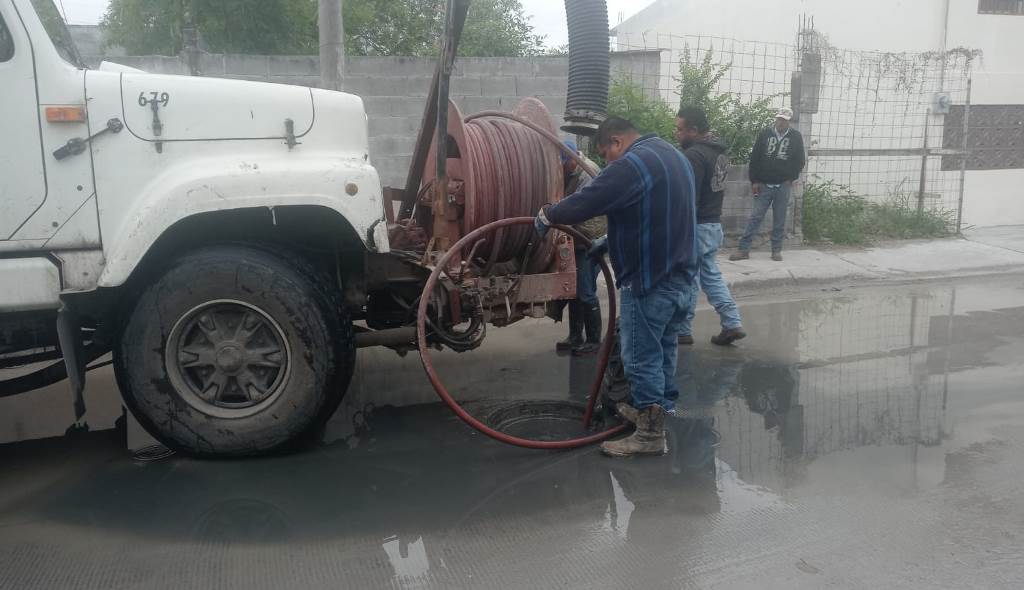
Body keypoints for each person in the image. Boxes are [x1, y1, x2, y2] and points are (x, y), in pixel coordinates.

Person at [535, 117, 699, 458]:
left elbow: (590, 199)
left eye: (605, 152)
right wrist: (610, 240)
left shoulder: (633, 163)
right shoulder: (673, 156)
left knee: (640, 358)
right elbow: (658, 213)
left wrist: (551, 214)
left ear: (617, 142)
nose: (608, 160)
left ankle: (650, 435)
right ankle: (656, 411)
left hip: (650, 279)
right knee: (664, 347)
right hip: (681, 277)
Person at [674, 106, 746, 346]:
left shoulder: (694, 155)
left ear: (694, 130)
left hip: (696, 225)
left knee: (688, 279)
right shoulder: (719, 153)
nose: (677, 134)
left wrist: (680, 229)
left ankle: (683, 330)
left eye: (680, 129)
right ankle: (732, 322)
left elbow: (688, 197)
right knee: (710, 275)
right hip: (713, 224)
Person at [731, 107, 806, 262]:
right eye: (778, 119)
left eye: (784, 120)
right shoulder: (765, 134)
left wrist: (790, 179)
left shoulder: (796, 137)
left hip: (783, 186)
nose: (780, 122)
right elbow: (755, 159)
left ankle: (776, 250)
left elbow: (799, 161)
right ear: (775, 119)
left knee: (779, 219)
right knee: (755, 217)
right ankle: (743, 249)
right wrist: (755, 181)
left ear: (789, 122)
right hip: (763, 184)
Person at [553, 140, 605, 356]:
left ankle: (593, 340)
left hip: (589, 239)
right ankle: (575, 336)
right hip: (576, 236)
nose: (562, 169)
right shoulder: (570, 170)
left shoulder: (588, 172)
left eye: (564, 164)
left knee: (585, 290)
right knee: (574, 290)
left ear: (573, 159)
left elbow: (583, 208)